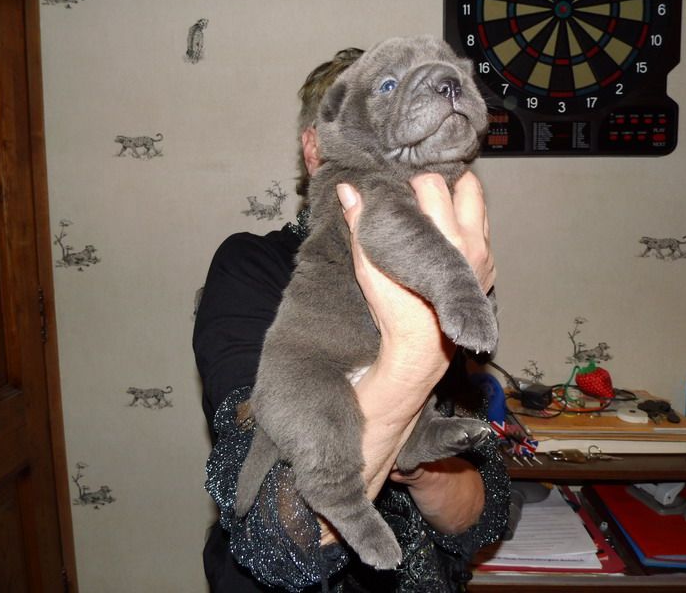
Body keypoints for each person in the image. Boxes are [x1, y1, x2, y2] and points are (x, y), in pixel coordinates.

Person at [193, 47, 509, 593]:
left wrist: (412, 456)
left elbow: (476, 516)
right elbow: (273, 531)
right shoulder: (250, 266)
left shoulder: (438, 263)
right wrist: (415, 354)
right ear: (316, 147)